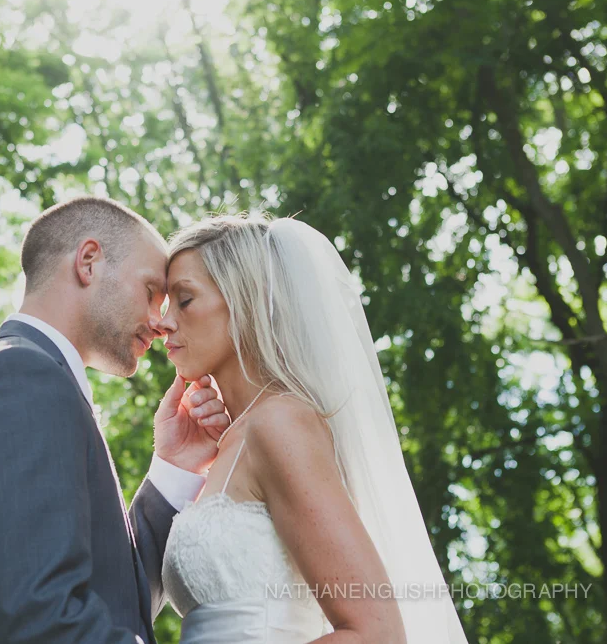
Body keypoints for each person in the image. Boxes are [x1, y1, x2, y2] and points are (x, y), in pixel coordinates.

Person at [0, 197, 230, 644]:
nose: (161, 323)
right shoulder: (16, 379)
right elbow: (44, 620)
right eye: (151, 292)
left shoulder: (28, 378)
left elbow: (117, 599)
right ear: (89, 262)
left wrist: (175, 467)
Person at [159, 215, 469, 643]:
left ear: (245, 302)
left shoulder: (279, 421)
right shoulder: (233, 438)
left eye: (184, 299)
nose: (164, 322)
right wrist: (173, 461)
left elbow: (375, 633)